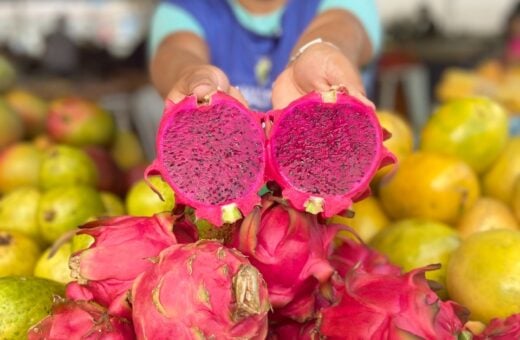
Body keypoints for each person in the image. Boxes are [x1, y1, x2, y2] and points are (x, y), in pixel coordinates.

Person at [148, 0, 381, 111]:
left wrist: (317, 49)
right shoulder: (181, 8)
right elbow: (177, 51)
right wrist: (192, 77)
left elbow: (342, 24)